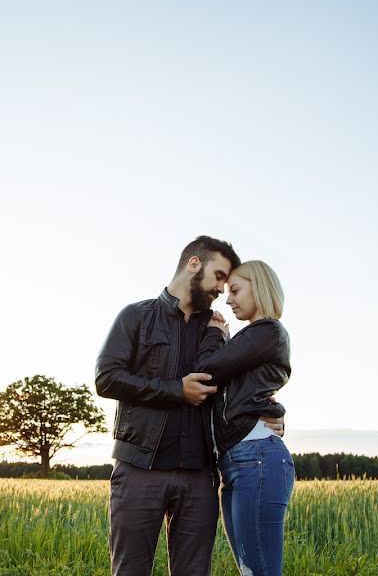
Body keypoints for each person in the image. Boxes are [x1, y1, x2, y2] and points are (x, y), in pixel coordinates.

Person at [95, 236, 283, 576]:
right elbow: (106, 378)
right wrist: (175, 390)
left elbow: (243, 385)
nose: (221, 291)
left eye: (228, 284)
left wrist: (270, 413)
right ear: (194, 264)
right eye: (219, 276)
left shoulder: (217, 330)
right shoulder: (136, 316)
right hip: (139, 469)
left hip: (200, 475)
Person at [194, 260, 294, 576]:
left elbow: (206, 372)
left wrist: (215, 333)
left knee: (260, 572)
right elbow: (244, 392)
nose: (229, 299)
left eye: (236, 289)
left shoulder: (267, 330)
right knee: (250, 571)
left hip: (257, 460)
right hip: (237, 463)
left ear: (259, 287)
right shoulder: (251, 339)